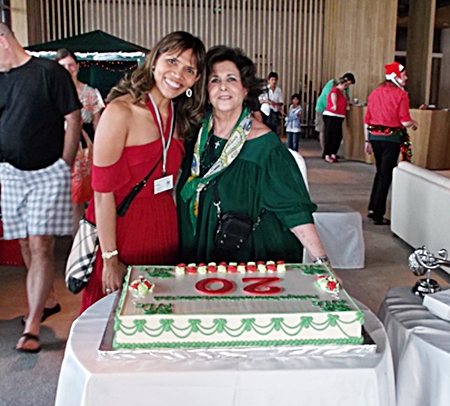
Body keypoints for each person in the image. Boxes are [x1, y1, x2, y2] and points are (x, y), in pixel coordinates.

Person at [79, 31, 206, 312]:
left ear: (195, 80)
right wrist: (110, 256)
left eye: (189, 69)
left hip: (163, 228)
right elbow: (102, 194)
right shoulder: (120, 111)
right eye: (172, 61)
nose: (178, 73)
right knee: (116, 316)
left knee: (158, 317)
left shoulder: (179, 116)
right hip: (122, 229)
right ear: (155, 60)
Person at [177, 46, 330, 266]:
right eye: (214, 80)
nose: (223, 87)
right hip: (199, 248)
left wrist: (322, 261)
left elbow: (294, 208)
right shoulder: (197, 135)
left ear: (245, 89)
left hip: (247, 255)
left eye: (231, 79)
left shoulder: (265, 145)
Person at [0, 23, 82, 353]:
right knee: (25, 243)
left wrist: (64, 163)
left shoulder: (48, 72)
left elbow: (74, 118)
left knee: (40, 242)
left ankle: (32, 324)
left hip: (48, 170)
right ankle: (44, 299)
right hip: (9, 172)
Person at [56, 48, 105, 235]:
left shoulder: (90, 93)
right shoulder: (52, 92)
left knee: (83, 193)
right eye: (63, 66)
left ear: (77, 66)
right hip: (58, 146)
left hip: (84, 148)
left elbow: (98, 125)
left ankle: (85, 233)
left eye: (71, 65)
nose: (68, 69)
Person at [364, 61, 418, 225]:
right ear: (395, 76)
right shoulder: (402, 95)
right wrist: (414, 123)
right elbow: (404, 120)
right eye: (404, 74)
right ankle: (378, 214)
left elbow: (367, 120)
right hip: (391, 139)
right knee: (386, 175)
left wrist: (367, 140)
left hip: (375, 137)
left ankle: (373, 208)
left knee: (380, 172)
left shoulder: (374, 93)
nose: (406, 77)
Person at [315, 73, 355, 153]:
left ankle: (331, 151)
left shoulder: (345, 88)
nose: (347, 86)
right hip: (323, 107)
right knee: (323, 129)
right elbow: (330, 95)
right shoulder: (332, 84)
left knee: (333, 132)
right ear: (345, 80)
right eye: (347, 84)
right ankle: (325, 151)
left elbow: (346, 97)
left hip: (334, 111)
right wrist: (334, 105)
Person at [322, 78, 349, 163]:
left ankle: (333, 153)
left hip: (339, 116)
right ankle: (327, 154)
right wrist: (334, 104)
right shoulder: (335, 90)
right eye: (345, 85)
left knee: (338, 136)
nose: (346, 87)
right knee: (330, 135)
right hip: (331, 115)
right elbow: (333, 95)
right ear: (340, 84)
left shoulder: (342, 93)